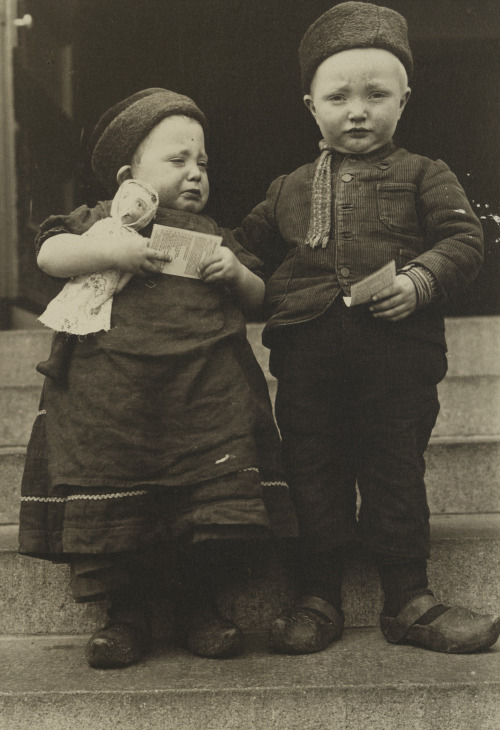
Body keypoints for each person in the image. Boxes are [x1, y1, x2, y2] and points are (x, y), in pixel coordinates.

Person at [234, 2, 500, 655]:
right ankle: (317, 597)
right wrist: (212, 270)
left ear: (403, 102)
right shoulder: (285, 189)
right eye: (339, 95)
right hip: (307, 360)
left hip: (396, 361)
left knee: (393, 474)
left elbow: (465, 239)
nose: (358, 109)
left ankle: (409, 600)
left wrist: (419, 281)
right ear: (310, 105)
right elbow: (243, 251)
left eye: (376, 94)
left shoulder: (424, 174)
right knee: (312, 474)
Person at [18, 88, 297, 669]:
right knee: (117, 500)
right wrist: (109, 252)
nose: (195, 174)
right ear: (128, 174)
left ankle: (200, 606)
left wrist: (237, 272)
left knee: (206, 504)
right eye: (178, 161)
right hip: (114, 395)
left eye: (202, 164)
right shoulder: (98, 222)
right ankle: (127, 615)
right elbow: (49, 256)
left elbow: (259, 298)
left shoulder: (212, 235)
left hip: (201, 393)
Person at [36, 178, 159, 382]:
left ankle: (70, 361)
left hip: (104, 287)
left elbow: (131, 270)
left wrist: (118, 287)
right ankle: (55, 359)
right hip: (84, 279)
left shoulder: (136, 240)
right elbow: (85, 244)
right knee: (66, 317)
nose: (130, 207)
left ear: (147, 215)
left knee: (88, 322)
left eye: (140, 205)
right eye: (126, 198)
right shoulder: (102, 224)